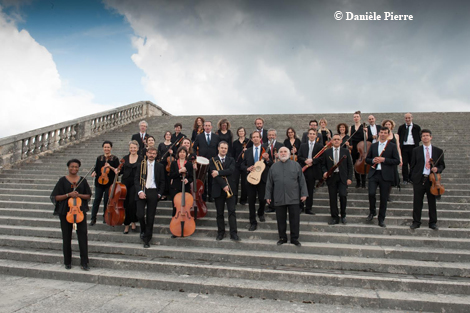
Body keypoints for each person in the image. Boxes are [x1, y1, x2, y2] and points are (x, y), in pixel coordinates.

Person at [50, 159, 92, 270]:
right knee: (66, 236)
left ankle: (84, 262)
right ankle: (67, 262)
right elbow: (55, 197)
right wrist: (69, 194)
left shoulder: (82, 180)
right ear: (68, 167)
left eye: (76, 167)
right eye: (72, 166)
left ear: (79, 168)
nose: (74, 169)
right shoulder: (62, 181)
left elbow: (88, 195)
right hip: (65, 212)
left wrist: (78, 195)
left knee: (83, 236)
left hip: (79, 211)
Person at [266, 147, 307, 247]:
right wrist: (267, 195)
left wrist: (304, 193)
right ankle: (282, 237)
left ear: (289, 154)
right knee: (280, 219)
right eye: (281, 152)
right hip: (279, 196)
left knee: (295, 219)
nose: (283, 153)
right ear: (278, 154)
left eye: (285, 151)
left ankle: (294, 238)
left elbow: (302, 180)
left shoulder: (296, 165)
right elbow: (269, 183)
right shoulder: (274, 167)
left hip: (293, 196)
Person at [410, 129, 445, 230]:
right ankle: (416, 222)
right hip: (419, 179)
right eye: (423, 136)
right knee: (417, 202)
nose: (425, 137)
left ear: (431, 137)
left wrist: (437, 169)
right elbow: (412, 165)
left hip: (432, 180)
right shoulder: (416, 150)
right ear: (421, 138)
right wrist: (413, 176)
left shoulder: (438, 151)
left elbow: (442, 165)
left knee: (432, 202)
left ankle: (433, 222)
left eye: (427, 135)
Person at [365, 128, 400, 227]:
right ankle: (372, 212)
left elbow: (396, 161)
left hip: (386, 175)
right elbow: (367, 159)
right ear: (379, 133)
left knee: (384, 198)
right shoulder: (373, 145)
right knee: (371, 193)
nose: (383, 134)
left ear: (388, 134)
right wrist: (373, 160)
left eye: (385, 133)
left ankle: (381, 219)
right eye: (381, 132)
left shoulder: (392, 146)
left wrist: (384, 160)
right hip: (374, 173)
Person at [134, 146, 166, 248]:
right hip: (142, 191)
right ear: (146, 153)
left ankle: (147, 239)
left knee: (150, 217)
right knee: (139, 214)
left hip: (153, 192)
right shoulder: (140, 165)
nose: (151, 155)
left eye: (154, 153)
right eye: (150, 153)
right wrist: (140, 191)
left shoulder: (160, 166)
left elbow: (162, 181)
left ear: (156, 155)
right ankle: (143, 229)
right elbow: (136, 180)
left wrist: (159, 194)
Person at [241, 131, 271, 230]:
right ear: (251, 139)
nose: (255, 138)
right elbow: (242, 164)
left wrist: (267, 160)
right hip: (251, 179)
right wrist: (247, 168)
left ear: (260, 138)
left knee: (262, 199)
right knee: (251, 201)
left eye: (257, 137)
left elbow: (271, 164)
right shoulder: (247, 151)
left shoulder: (265, 150)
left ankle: (261, 212)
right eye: (253, 137)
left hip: (262, 179)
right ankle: (252, 221)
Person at [209, 141, 239, 241]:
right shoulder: (213, 160)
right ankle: (220, 233)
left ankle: (234, 233)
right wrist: (224, 185)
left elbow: (230, 171)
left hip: (231, 189)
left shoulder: (231, 159)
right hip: (219, 189)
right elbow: (214, 175)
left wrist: (219, 172)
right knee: (219, 213)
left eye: (225, 148)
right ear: (218, 148)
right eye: (222, 148)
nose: (223, 150)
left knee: (232, 212)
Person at [321, 134, 353, 225]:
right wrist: (324, 172)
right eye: (334, 139)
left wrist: (349, 178)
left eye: (338, 139)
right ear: (331, 141)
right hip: (331, 178)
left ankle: (343, 215)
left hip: (342, 177)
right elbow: (323, 165)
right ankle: (334, 217)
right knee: (333, 198)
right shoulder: (327, 152)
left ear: (341, 141)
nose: (336, 141)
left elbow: (350, 166)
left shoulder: (345, 151)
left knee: (343, 195)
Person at [90, 141, 120, 226]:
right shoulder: (99, 158)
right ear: (103, 148)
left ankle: (105, 217)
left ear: (111, 148)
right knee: (97, 199)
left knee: (107, 200)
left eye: (108, 147)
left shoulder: (114, 159)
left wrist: (109, 166)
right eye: (105, 147)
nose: (106, 149)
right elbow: (96, 168)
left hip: (109, 183)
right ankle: (93, 218)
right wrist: (94, 172)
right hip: (99, 182)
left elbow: (117, 170)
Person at [297, 129, 324, 214]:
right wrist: (305, 160)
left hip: (313, 170)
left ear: (316, 136)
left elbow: (322, 158)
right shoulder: (303, 145)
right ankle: (300, 207)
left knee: (310, 190)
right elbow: (299, 156)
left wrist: (312, 161)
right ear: (307, 135)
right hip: (303, 169)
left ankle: (308, 208)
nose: (312, 135)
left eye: (313, 134)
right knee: (300, 188)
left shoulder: (319, 146)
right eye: (310, 134)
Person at [193, 121, 220, 202]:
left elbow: (219, 148)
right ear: (203, 127)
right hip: (202, 161)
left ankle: (211, 196)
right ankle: (203, 196)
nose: (207, 127)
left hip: (213, 161)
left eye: (209, 126)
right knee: (203, 179)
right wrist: (195, 157)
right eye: (206, 126)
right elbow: (194, 147)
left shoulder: (216, 137)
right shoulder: (199, 136)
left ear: (211, 127)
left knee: (212, 179)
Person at [120, 140, 142, 234]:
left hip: (135, 183)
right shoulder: (125, 158)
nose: (133, 149)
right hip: (125, 183)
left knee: (132, 203)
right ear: (129, 149)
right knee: (125, 203)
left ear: (137, 148)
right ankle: (126, 224)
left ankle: (133, 221)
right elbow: (121, 170)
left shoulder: (141, 158)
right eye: (131, 148)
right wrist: (117, 171)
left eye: (134, 147)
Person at [263, 129, 284, 213]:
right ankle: (270, 206)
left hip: (278, 170)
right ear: (267, 136)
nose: (271, 136)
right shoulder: (263, 146)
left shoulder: (281, 145)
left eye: (273, 135)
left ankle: (278, 205)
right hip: (266, 170)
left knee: (277, 188)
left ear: (275, 136)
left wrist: (279, 157)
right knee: (268, 188)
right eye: (270, 135)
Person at [169, 146, 193, 218]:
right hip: (175, 187)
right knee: (175, 206)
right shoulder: (174, 163)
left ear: (186, 154)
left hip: (185, 187)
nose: (182, 154)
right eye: (180, 152)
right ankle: (175, 221)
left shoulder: (189, 164)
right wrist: (179, 171)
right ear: (178, 153)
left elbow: (192, 177)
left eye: (184, 152)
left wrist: (187, 180)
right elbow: (171, 175)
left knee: (185, 205)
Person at [397, 113, 421, 185]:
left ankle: (412, 178)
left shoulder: (416, 127)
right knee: (404, 163)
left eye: (409, 118)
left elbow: (419, 136)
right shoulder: (401, 127)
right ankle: (405, 179)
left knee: (413, 163)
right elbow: (399, 136)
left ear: (412, 118)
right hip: (404, 147)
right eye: (406, 118)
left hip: (413, 147)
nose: (407, 119)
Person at [382, 119, 403, 200]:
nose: (387, 125)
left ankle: (387, 195)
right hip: (383, 158)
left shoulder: (396, 136)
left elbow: (398, 147)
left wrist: (400, 158)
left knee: (391, 177)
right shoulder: (381, 135)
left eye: (389, 124)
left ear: (392, 126)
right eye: (386, 124)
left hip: (393, 158)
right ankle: (383, 193)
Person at [349, 111, 367, 188]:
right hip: (354, 148)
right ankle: (358, 182)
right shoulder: (351, 127)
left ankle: (363, 182)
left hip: (361, 148)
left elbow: (366, 138)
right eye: (354, 117)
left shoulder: (364, 127)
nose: (356, 118)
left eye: (357, 117)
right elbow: (350, 138)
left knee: (362, 164)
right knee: (355, 165)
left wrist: (365, 132)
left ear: (360, 118)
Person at [232, 127, 249, 205]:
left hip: (245, 165)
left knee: (244, 183)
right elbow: (232, 154)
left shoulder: (249, 142)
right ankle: (234, 200)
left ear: (244, 132)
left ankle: (243, 200)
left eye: (242, 131)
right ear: (237, 133)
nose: (241, 132)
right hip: (237, 164)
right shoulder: (235, 143)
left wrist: (247, 151)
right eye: (239, 131)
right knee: (235, 182)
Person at [157, 131, 173, 200]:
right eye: (167, 134)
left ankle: (169, 193)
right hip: (162, 164)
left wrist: (172, 153)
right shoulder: (161, 145)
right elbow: (158, 153)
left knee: (168, 178)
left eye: (169, 135)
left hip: (169, 164)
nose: (168, 136)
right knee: (162, 178)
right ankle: (162, 193)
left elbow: (176, 155)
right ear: (165, 136)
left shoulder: (173, 145)